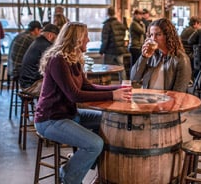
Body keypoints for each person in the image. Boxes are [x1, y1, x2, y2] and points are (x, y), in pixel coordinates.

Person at [34, 22, 131, 184]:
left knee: (109, 121)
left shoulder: (73, 58)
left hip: (70, 115)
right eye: (85, 36)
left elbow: (88, 86)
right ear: (76, 39)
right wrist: (113, 95)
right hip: (50, 120)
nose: (88, 39)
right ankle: (69, 175)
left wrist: (119, 87)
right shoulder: (58, 60)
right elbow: (75, 95)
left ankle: (81, 164)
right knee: (95, 144)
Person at [130, 18, 192, 92]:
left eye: (158, 35)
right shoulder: (151, 55)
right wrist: (143, 57)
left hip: (168, 101)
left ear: (168, 36)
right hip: (148, 98)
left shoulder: (181, 59)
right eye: (151, 35)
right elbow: (134, 78)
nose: (153, 38)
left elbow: (179, 92)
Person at [19, 24, 60, 97]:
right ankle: (46, 108)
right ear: (50, 35)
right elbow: (54, 67)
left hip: (26, 83)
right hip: (31, 86)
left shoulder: (38, 42)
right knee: (61, 88)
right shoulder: (46, 46)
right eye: (57, 38)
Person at [99, 6, 127, 81]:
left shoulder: (107, 25)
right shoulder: (120, 24)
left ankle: (106, 85)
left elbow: (105, 40)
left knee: (106, 69)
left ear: (107, 13)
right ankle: (123, 84)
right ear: (114, 13)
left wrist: (101, 51)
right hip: (119, 50)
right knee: (121, 68)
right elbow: (123, 36)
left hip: (109, 51)